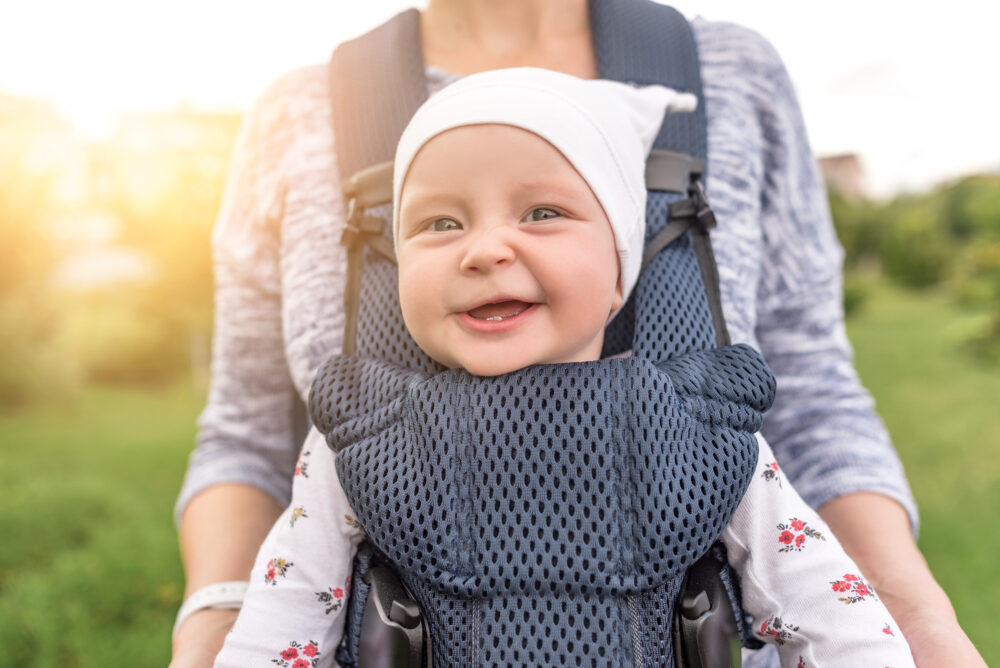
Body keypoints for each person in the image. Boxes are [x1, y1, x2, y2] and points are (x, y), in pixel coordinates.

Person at [169, 2, 986, 667]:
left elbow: (811, 427)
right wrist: (213, 624)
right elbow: (250, 451)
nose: (487, 249)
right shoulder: (360, 444)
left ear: (624, 261)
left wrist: (911, 622)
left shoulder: (704, 435)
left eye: (544, 213)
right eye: (442, 222)